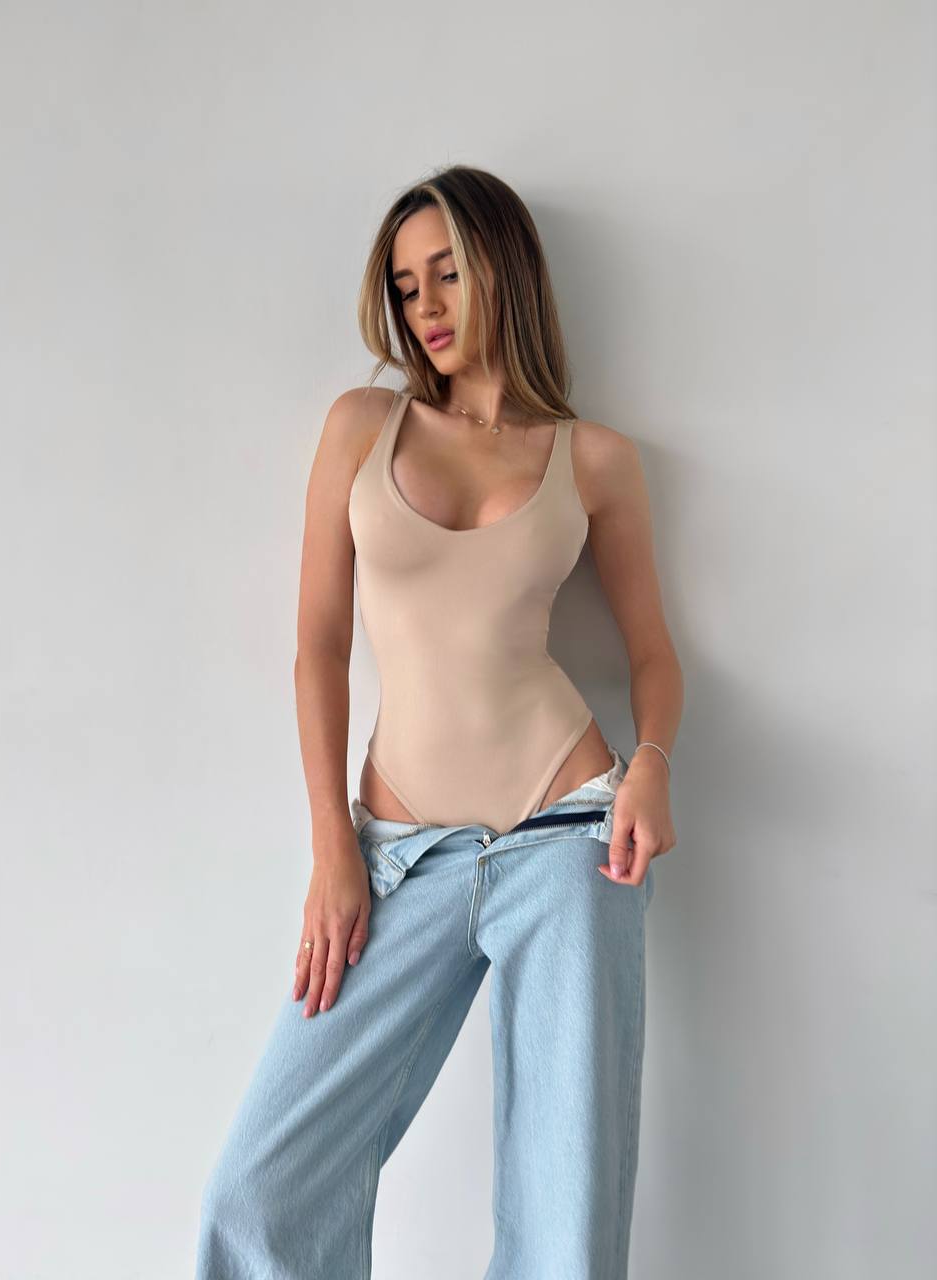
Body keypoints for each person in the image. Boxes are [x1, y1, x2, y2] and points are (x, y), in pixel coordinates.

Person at [194, 164, 683, 1279]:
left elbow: (655, 654)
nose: (427, 306)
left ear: (503, 264)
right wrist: (333, 845)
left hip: (570, 841)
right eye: (407, 286)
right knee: (258, 1193)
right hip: (398, 854)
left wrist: (652, 762)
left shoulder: (594, 458)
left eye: (447, 272)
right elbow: (319, 646)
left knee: (565, 1222)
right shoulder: (363, 426)